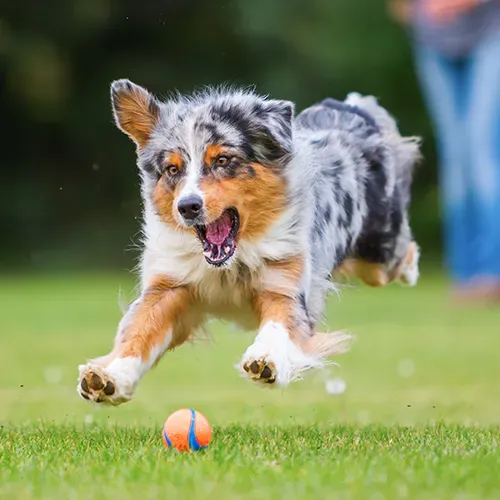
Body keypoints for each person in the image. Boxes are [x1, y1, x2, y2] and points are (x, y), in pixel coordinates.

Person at [389, 0, 500, 302]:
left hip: (489, 30)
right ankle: (465, 275)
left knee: (482, 149)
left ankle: (493, 272)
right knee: (456, 157)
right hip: (433, 39)